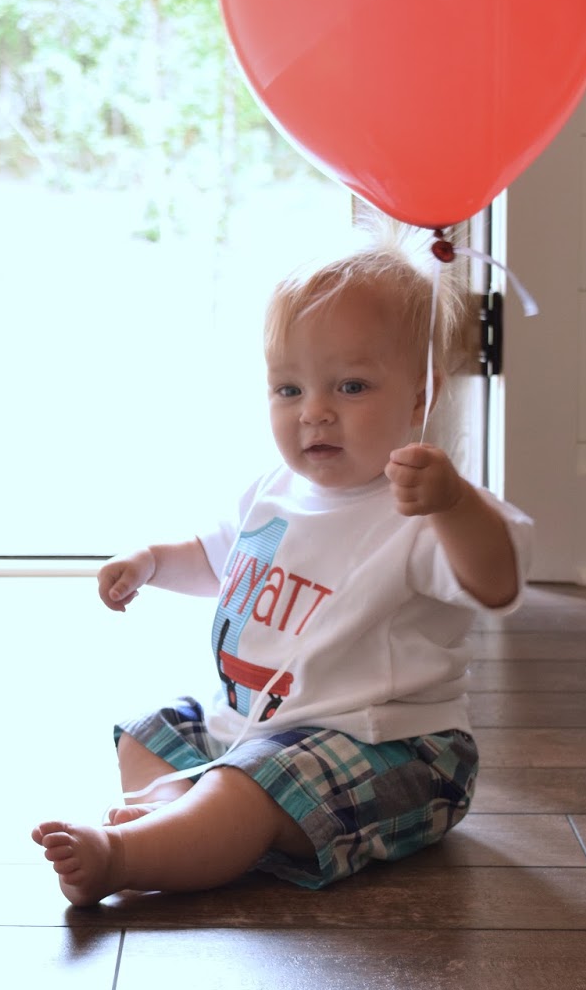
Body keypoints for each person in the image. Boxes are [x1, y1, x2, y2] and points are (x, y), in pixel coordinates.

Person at [31, 233, 534, 906]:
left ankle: (127, 854)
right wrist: (152, 562)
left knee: (255, 783)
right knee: (152, 730)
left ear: (420, 397)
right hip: (254, 732)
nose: (314, 412)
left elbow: (496, 580)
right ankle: (179, 818)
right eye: (289, 388)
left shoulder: (419, 508)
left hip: (393, 751)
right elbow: (217, 557)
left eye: (350, 386)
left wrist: (455, 505)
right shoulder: (275, 489)